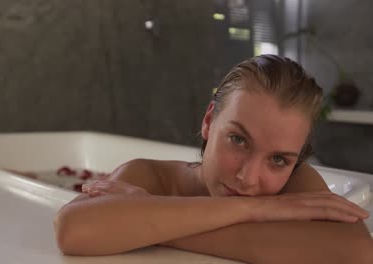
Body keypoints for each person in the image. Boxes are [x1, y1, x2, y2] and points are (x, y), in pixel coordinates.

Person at [53, 55, 373, 263]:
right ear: (209, 121)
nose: (248, 177)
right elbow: (73, 229)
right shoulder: (149, 175)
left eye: (278, 159)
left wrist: (152, 220)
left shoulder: (295, 181)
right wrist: (259, 208)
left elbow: (358, 251)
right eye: (238, 140)